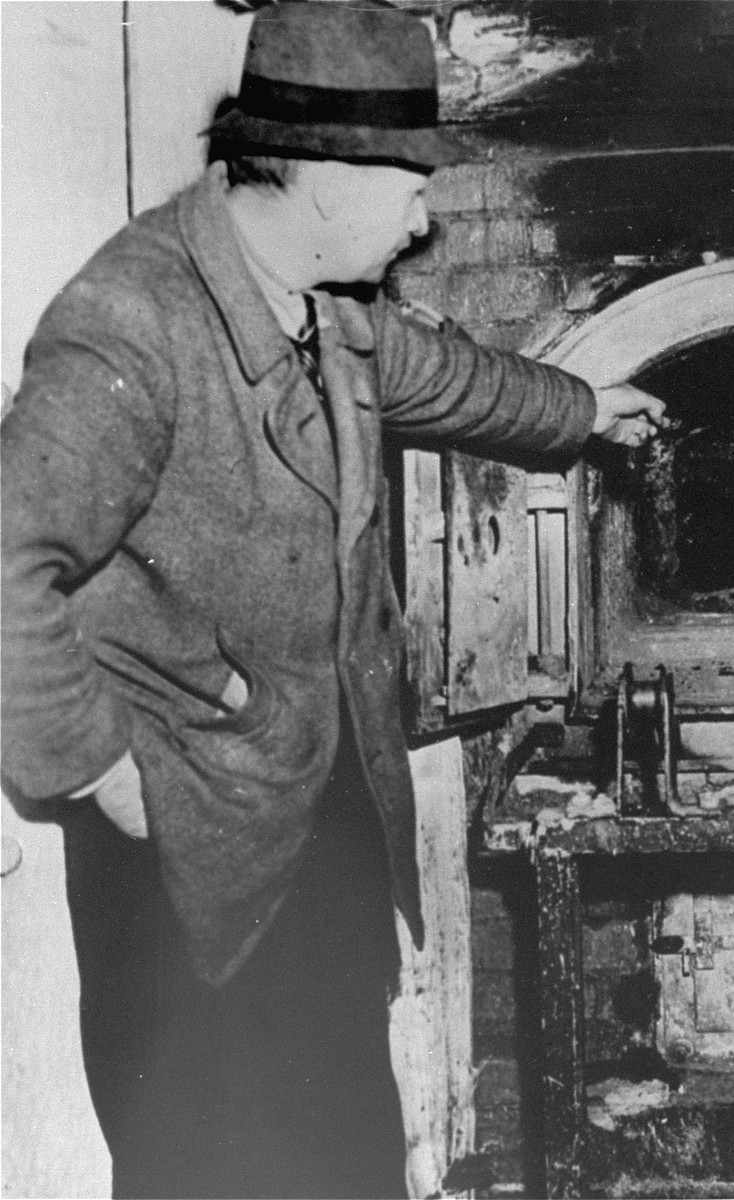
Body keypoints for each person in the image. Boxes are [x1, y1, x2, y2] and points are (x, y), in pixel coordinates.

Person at [0, 3, 663, 1197]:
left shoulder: (326, 301)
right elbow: (3, 561)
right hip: (186, 843)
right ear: (319, 175)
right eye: (411, 181)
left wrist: (586, 410)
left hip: (325, 800)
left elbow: (441, 373)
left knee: (346, 1145)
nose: (426, 213)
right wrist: (98, 772)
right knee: (201, 1159)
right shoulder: (133, 322)